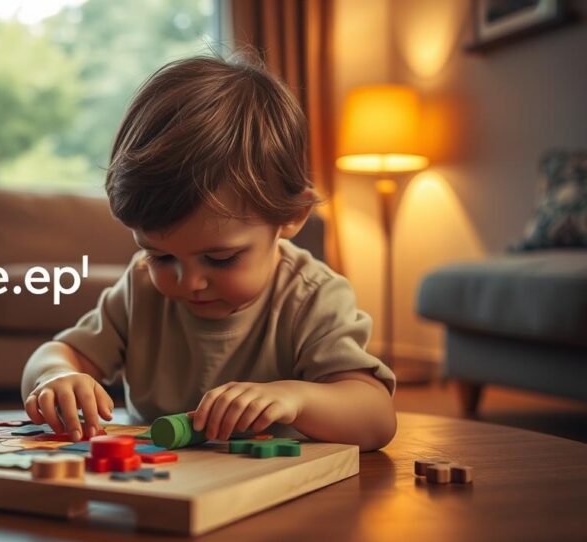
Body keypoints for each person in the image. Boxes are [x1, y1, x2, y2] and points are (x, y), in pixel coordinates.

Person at [20, 53, 397, 451]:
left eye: (220, 259)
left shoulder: (313, 296)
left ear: (291, 217)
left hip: (273, 496)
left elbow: (375, 417)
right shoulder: (141, 285)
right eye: (161, 256)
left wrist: (296, 398)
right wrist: (55, 377)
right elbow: (58, 352)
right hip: (160, 488)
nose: (190, 282)